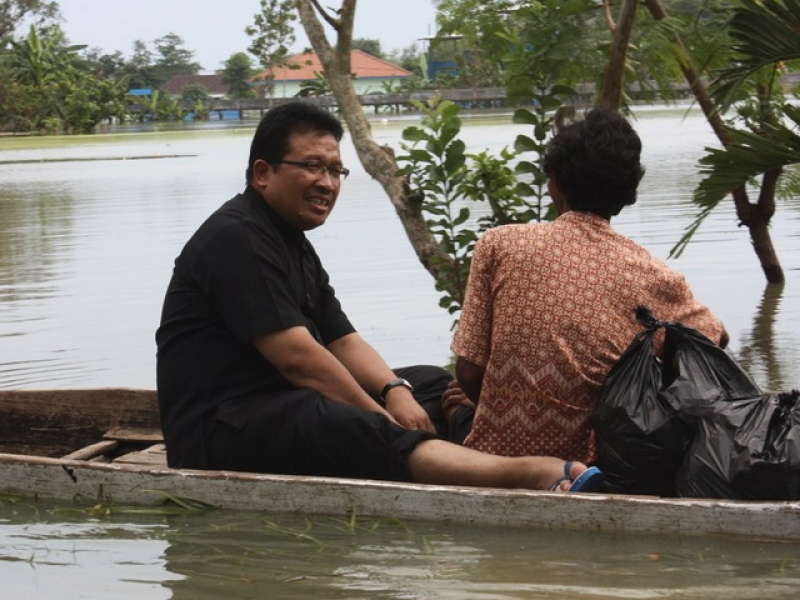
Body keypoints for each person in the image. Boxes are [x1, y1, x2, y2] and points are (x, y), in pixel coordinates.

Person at [156, 101, 601, 492]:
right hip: (217, 433)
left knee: (429, 383)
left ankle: (460, 460)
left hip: (277, 406)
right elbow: (298, 359)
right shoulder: (235, 238)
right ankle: (528, 474)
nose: (327, 183)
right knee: (336, 417)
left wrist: (394, 391)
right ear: (262, 173)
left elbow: (341, 338)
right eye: (312, 166)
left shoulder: (290, 241)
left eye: (335, 171)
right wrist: (376, 415)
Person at [448, 108, 727, 464]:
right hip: (596, 461)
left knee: (440, 392)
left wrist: (491, 403)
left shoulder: (500, 244)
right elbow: (715, 338)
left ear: (555, 183)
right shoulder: (651, 274)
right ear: (628, 192)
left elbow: (469, 372)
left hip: (500, 459)